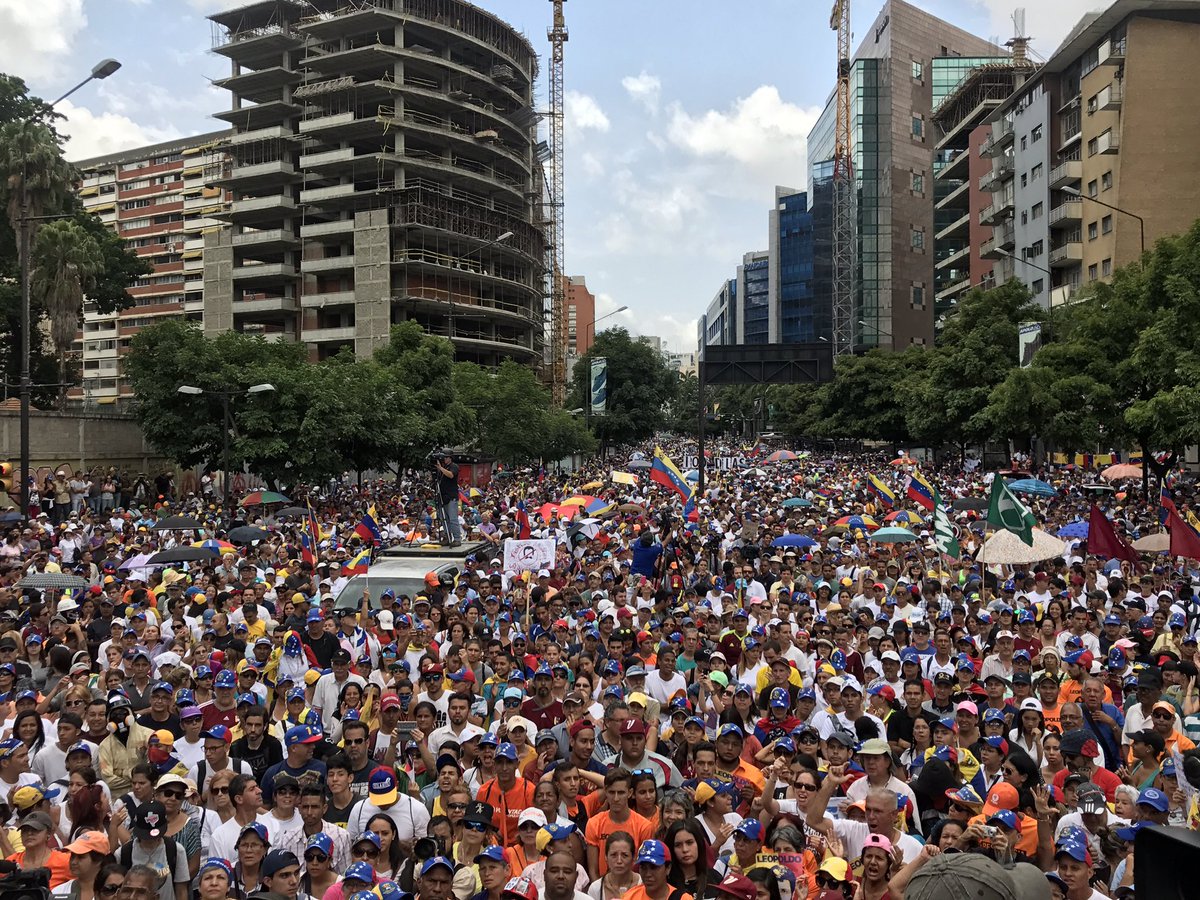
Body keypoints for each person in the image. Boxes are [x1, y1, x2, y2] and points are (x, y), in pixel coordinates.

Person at [115, 801, 189, 900]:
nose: (150, 839)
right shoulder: (123, 853)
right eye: (146, 835)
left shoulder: (175, 850)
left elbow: (181, 890)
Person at [435, 452, 462, 546]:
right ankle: (447, 536)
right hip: (443, 496)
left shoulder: (454, 466)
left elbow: (451, 475)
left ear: (450, 458)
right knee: (444, 519)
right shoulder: (443, 467)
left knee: (453, 518)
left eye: (445, 457)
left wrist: (440, 468)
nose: (444, 459)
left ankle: (457, 539)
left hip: (451, 496)